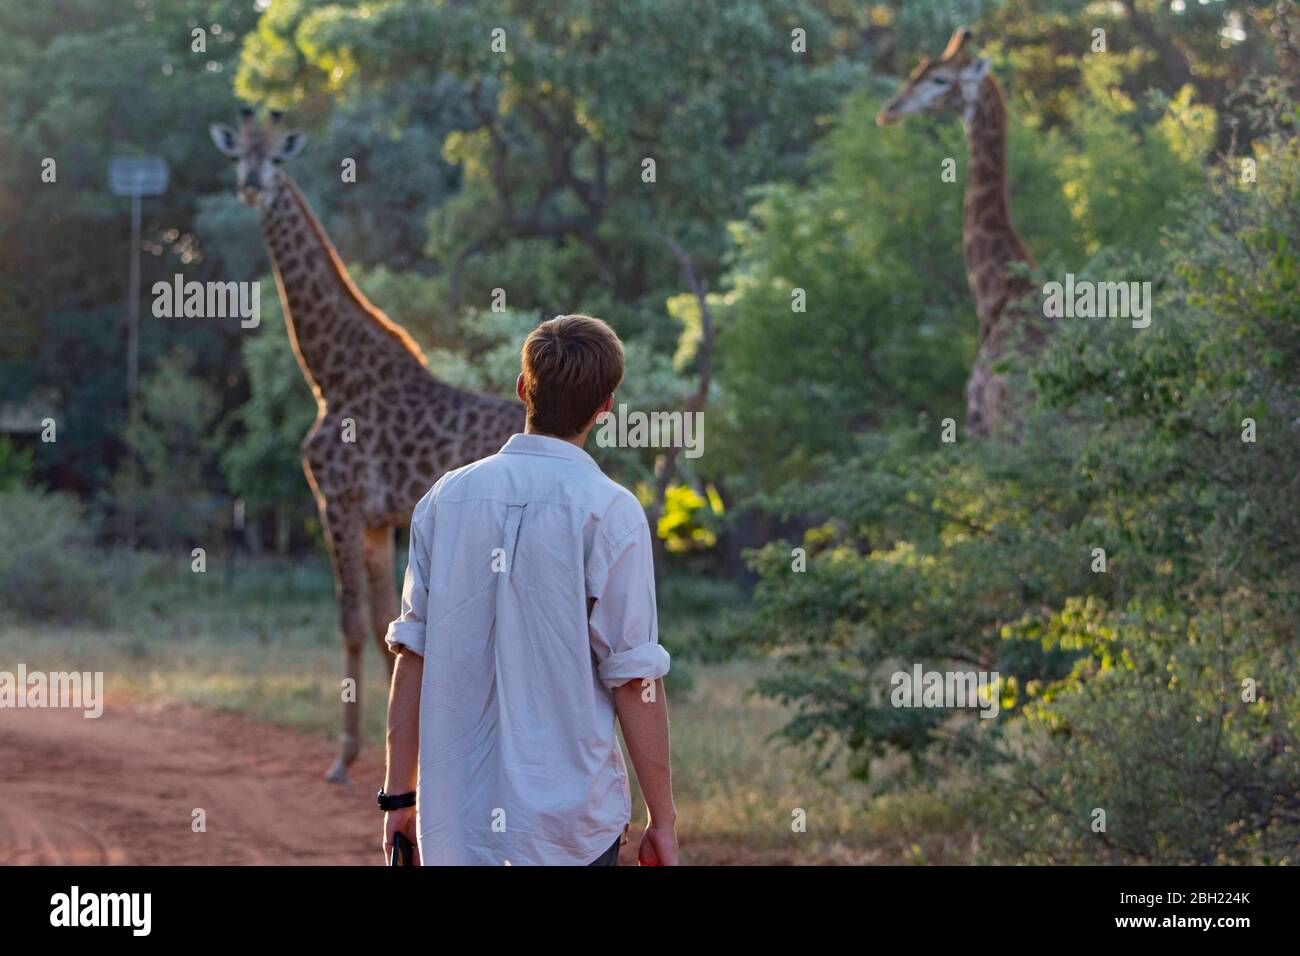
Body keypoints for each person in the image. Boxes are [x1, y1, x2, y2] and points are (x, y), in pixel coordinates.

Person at [379, 313, 678, 866]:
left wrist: (399, 797)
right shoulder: (610, 511)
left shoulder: (445, 499)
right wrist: (663, 820)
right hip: (574, 831)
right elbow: (636, 679)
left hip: (456, 827)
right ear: (605, 406)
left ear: (523, 389)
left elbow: (412, 654)